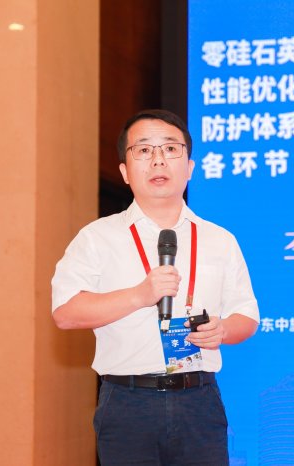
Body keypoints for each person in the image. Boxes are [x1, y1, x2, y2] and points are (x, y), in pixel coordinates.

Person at [51, 109, 260, 465]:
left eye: (170, 149)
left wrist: (222, 330)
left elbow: (247, 316)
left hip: (199, 401)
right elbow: (66, 313)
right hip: (127, 402)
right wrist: (139, 296)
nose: (158, 160)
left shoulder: (220, 240)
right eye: (144, 150)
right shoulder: (97, 237)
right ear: (124, 171)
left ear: (190, 167)